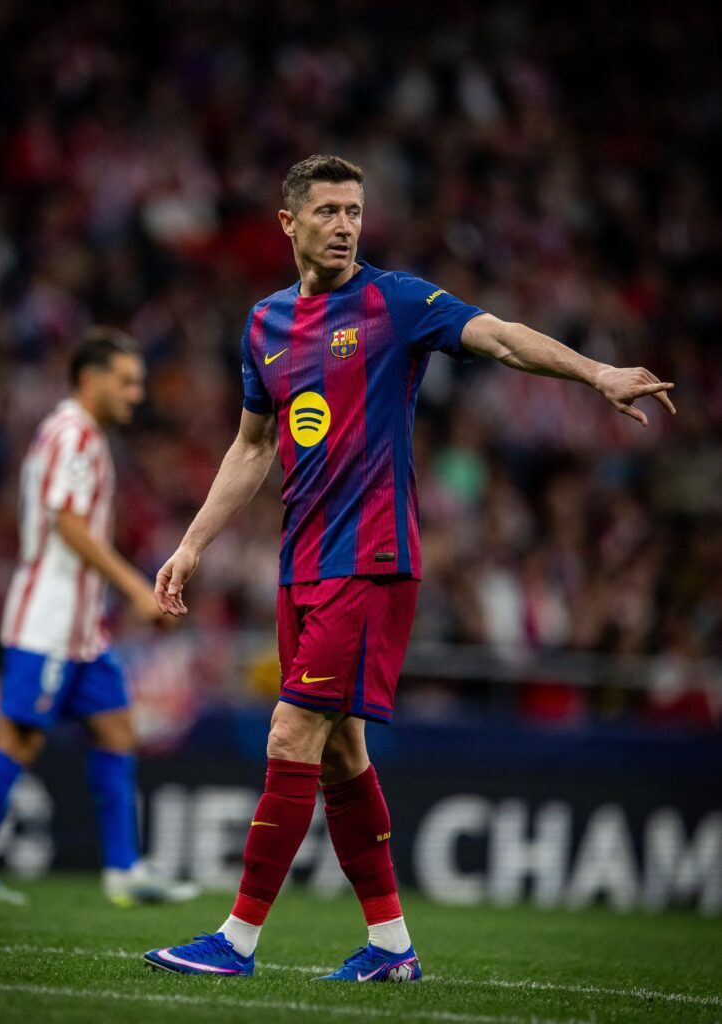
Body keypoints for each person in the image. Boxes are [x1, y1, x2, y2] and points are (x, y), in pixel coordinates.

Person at [143, 155, 676, 981]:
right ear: (288, 222)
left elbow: (500, 336)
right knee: (338, 753)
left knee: (290, 732)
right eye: (327, 211)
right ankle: (391, 946)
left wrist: (595, 372)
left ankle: (235, 941)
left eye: (353, 211)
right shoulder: (263, 324)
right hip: (300, 564)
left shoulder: (394, 303)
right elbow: (252, 447)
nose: (344, 225)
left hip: (369, 559)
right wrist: (192, 544)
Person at [0, 327, 198, 907]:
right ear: (89, 378)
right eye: (125, 382)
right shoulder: (72, 434)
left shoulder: (86, 436)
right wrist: (137, 589)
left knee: (117, 729)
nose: (136, 394)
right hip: (49, 622)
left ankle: (124, 871)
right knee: (20, 738)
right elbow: (69, 524)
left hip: (83, 628)